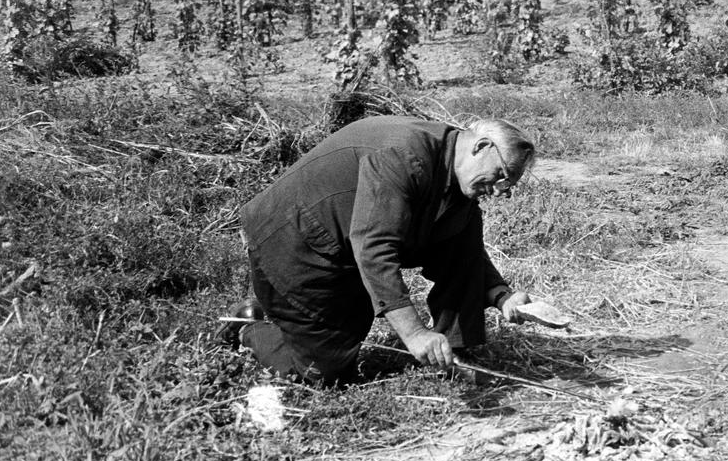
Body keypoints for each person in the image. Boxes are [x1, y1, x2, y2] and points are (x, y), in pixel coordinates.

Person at [225, 114, 544, 383]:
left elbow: (466, 251)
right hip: (291, 244)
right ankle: (247, 326)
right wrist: (415, 333)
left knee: (463, 224)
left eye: (508, 186)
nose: (500, 190)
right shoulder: (404, 155)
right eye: (501, 175)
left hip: (340, 248)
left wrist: (503, 296)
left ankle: (454, 353)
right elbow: (374, 247)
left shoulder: (454, 171)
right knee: (324, 373)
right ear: (481, 147)